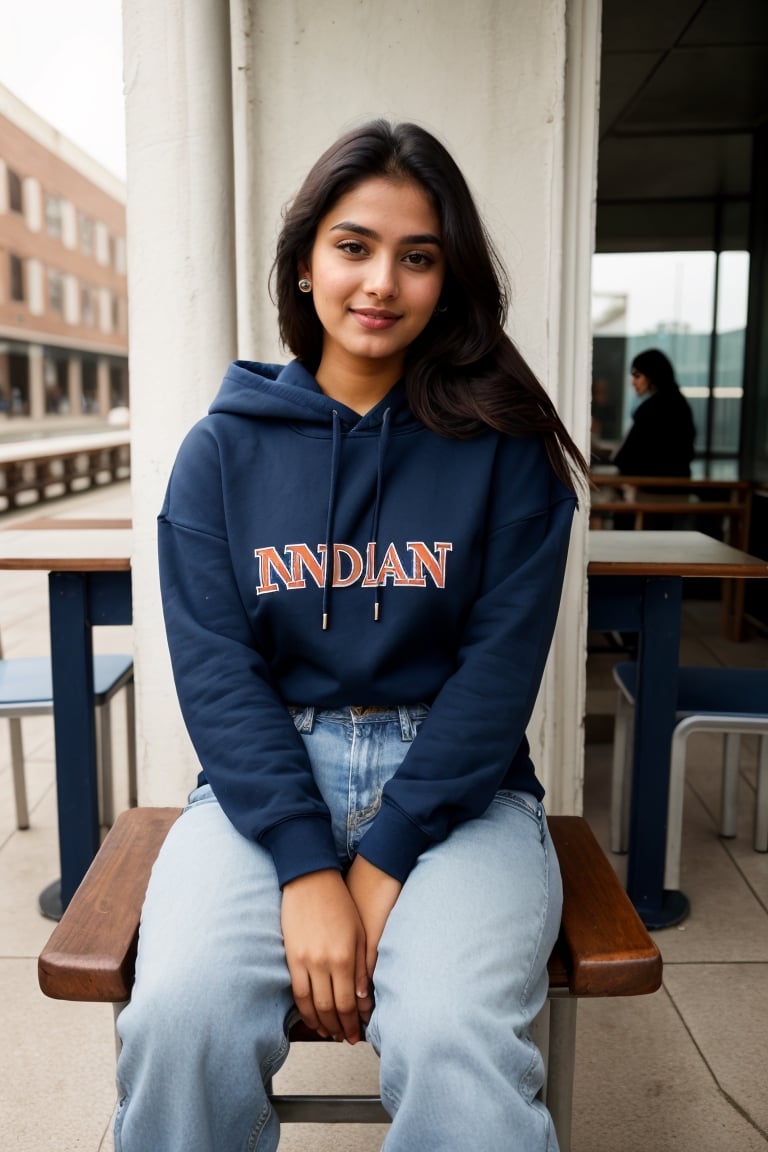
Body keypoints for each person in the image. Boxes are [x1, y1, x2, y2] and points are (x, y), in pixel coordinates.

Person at [114, 119, 588, 1152]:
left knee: (455, 1033)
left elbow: (497, 677)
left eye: (417, 257)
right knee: (177, 1018)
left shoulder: (504, 454)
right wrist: (304, 864)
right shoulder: (221, 452)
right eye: (354, 246)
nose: (381, 282)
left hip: (460, 792)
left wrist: (378, 865)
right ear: (303, 264)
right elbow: (217, 673)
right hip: (263, 782)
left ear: (448, 280)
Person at [612, 348, 696, 478]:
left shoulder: (651, 408)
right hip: (678, 486)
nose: (633, 383)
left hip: (651, 489)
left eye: (637, 376)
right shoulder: (680, 403)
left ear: (652, 375)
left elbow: (626, 457)